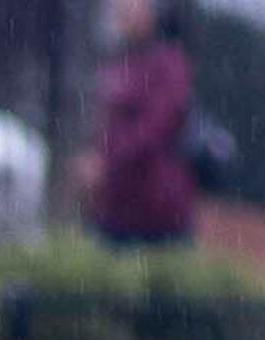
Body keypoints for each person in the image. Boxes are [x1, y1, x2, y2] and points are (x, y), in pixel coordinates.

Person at [85, 0, 198, 249]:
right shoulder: (118, 62)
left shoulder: (168, 64)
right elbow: (106, 126)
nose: (123, 12)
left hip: (158, 211)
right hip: (114, 209)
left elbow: (156, 128)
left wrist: (107, 161)